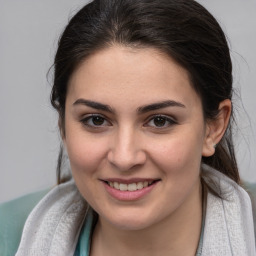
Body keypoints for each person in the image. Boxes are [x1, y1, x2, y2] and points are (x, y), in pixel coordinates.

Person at [0, 0, 255, 255]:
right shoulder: (7, 237)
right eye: (96, 120)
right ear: (63, 126)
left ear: (213, 127)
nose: (124, 158)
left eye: (159, 121)